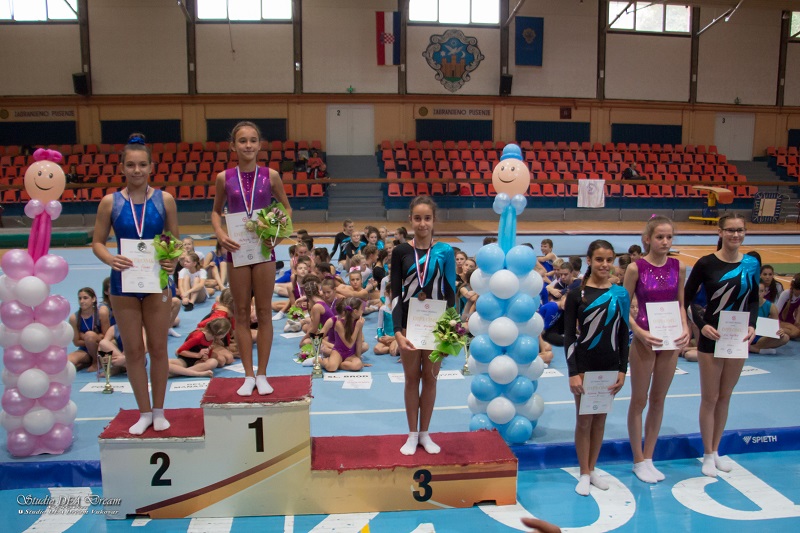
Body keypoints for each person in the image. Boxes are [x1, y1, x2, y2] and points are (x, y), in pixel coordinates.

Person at [92, 133, 180, 434]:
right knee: (133, 351)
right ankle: (143, 412)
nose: (137, 170)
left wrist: (172, 260)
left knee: (158, 348)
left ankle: (159, 410)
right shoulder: (110, 202)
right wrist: (109, 258)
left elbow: (174, 239)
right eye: (130, 165)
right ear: (122, 168)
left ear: (151, 167)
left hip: (157, 281)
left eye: (142, 164)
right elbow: (98, 242)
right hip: (124, 283)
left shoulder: (165, 200)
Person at [211, 121, 292, 396]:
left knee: (265, 311)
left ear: (259, 145)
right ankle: (248, 374)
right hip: (236, 250)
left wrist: (277, 238)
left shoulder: (271, 176)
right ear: (233, 146)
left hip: (263, 251)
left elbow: (286, 209)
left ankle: (263, 373)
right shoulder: (224, 177)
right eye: (242, 141)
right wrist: (220, 233)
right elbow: (215, 211)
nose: (248, 145)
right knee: (242, 312)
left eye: (253, 140)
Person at [683, 213, 759, 477]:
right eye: (730, 230)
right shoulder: (706, 263)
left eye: (740, 230)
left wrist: (752, 325)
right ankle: (706, 453)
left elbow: (753, 299)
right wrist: (701, 325)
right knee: (710, 397)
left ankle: (716, 450)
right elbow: (687, 299)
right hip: (712, 335)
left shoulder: (751, 263)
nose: (735, 235)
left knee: (725, 396)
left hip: (737, 337)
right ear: (720, 232)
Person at [623, 216, 690, 484]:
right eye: (660, 237)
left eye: (669, 237)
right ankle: (638, 460)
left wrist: (685, 327)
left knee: (658, 399)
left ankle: (649, 457)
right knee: (639, 400)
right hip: (645, 339)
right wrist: (639, 333)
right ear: (647, 239)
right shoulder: (635, 268)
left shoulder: (679, 267)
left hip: (670, 339)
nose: (665, 242)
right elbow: (623, 307)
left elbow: (681, 303)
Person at [391, 196, 457, 456]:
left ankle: (425, 434)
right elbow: (395, 294)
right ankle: (411, 434)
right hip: (409, 325)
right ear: (410, 219)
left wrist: (449, 333)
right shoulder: (400, 252)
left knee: (430, 379)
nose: (422, 223)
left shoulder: (445, 252)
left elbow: (451, 293)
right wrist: (397, 332)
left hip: (436, 326)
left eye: (427, 218)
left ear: (434, 220)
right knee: (411, 379)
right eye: (417, 218)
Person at [564, 239, 630, 496]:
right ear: (589, 261)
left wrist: (622, 370)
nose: (604, 264)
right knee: (584, 421)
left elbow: (623, 335)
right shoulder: (576, 294)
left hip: (609, 366)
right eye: (599, 259)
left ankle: (592, 469)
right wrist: (573, 372)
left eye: (609, 260)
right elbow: (569, 336)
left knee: (600, 420)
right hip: (584, 365)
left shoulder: (620, 294)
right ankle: (583, 472)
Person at [319, 296, 370, 372]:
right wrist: (357, 328)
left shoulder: (358, 322)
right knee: (331, 368)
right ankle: (321, 361)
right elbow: (349, 344)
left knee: (358, 365)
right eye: (361, 309)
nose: (362, 311)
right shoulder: (339, 324)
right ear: (355, 311)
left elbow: (359, 341)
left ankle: (338, 364)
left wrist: (358, 358)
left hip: (350, 353)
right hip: (338, 352)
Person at [67, 287, 102, 371]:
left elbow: (106, 336)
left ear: (93, 299)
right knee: (67, 361)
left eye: (85, 298)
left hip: (100, 348)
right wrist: (89, 342)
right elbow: (76, 342)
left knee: (89, 335)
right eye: (80, 298)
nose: (82, 301)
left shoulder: (101, 313)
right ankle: (87, 361)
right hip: (84, 350)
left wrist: (88, 338)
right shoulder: (74, 318)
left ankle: (96, 361)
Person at [749, 282, 790, 354]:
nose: (758, 294)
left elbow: (776, 327)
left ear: (765, 292)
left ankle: (752, 348)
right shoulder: (745, 303)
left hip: (761, 338)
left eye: (761, 291)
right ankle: (757, 350)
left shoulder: (771, 306)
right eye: (756, 291)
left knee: (785, 337)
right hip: (747, 335)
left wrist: (780, 331)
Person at [775, 273, 800, 339]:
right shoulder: (786, 294)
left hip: (790, 321)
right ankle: (778, 330)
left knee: (797, 331)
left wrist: (797, 323)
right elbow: (776, 311)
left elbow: (798, 314)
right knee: (796, 332)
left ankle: (783, 331)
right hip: (780, 320)